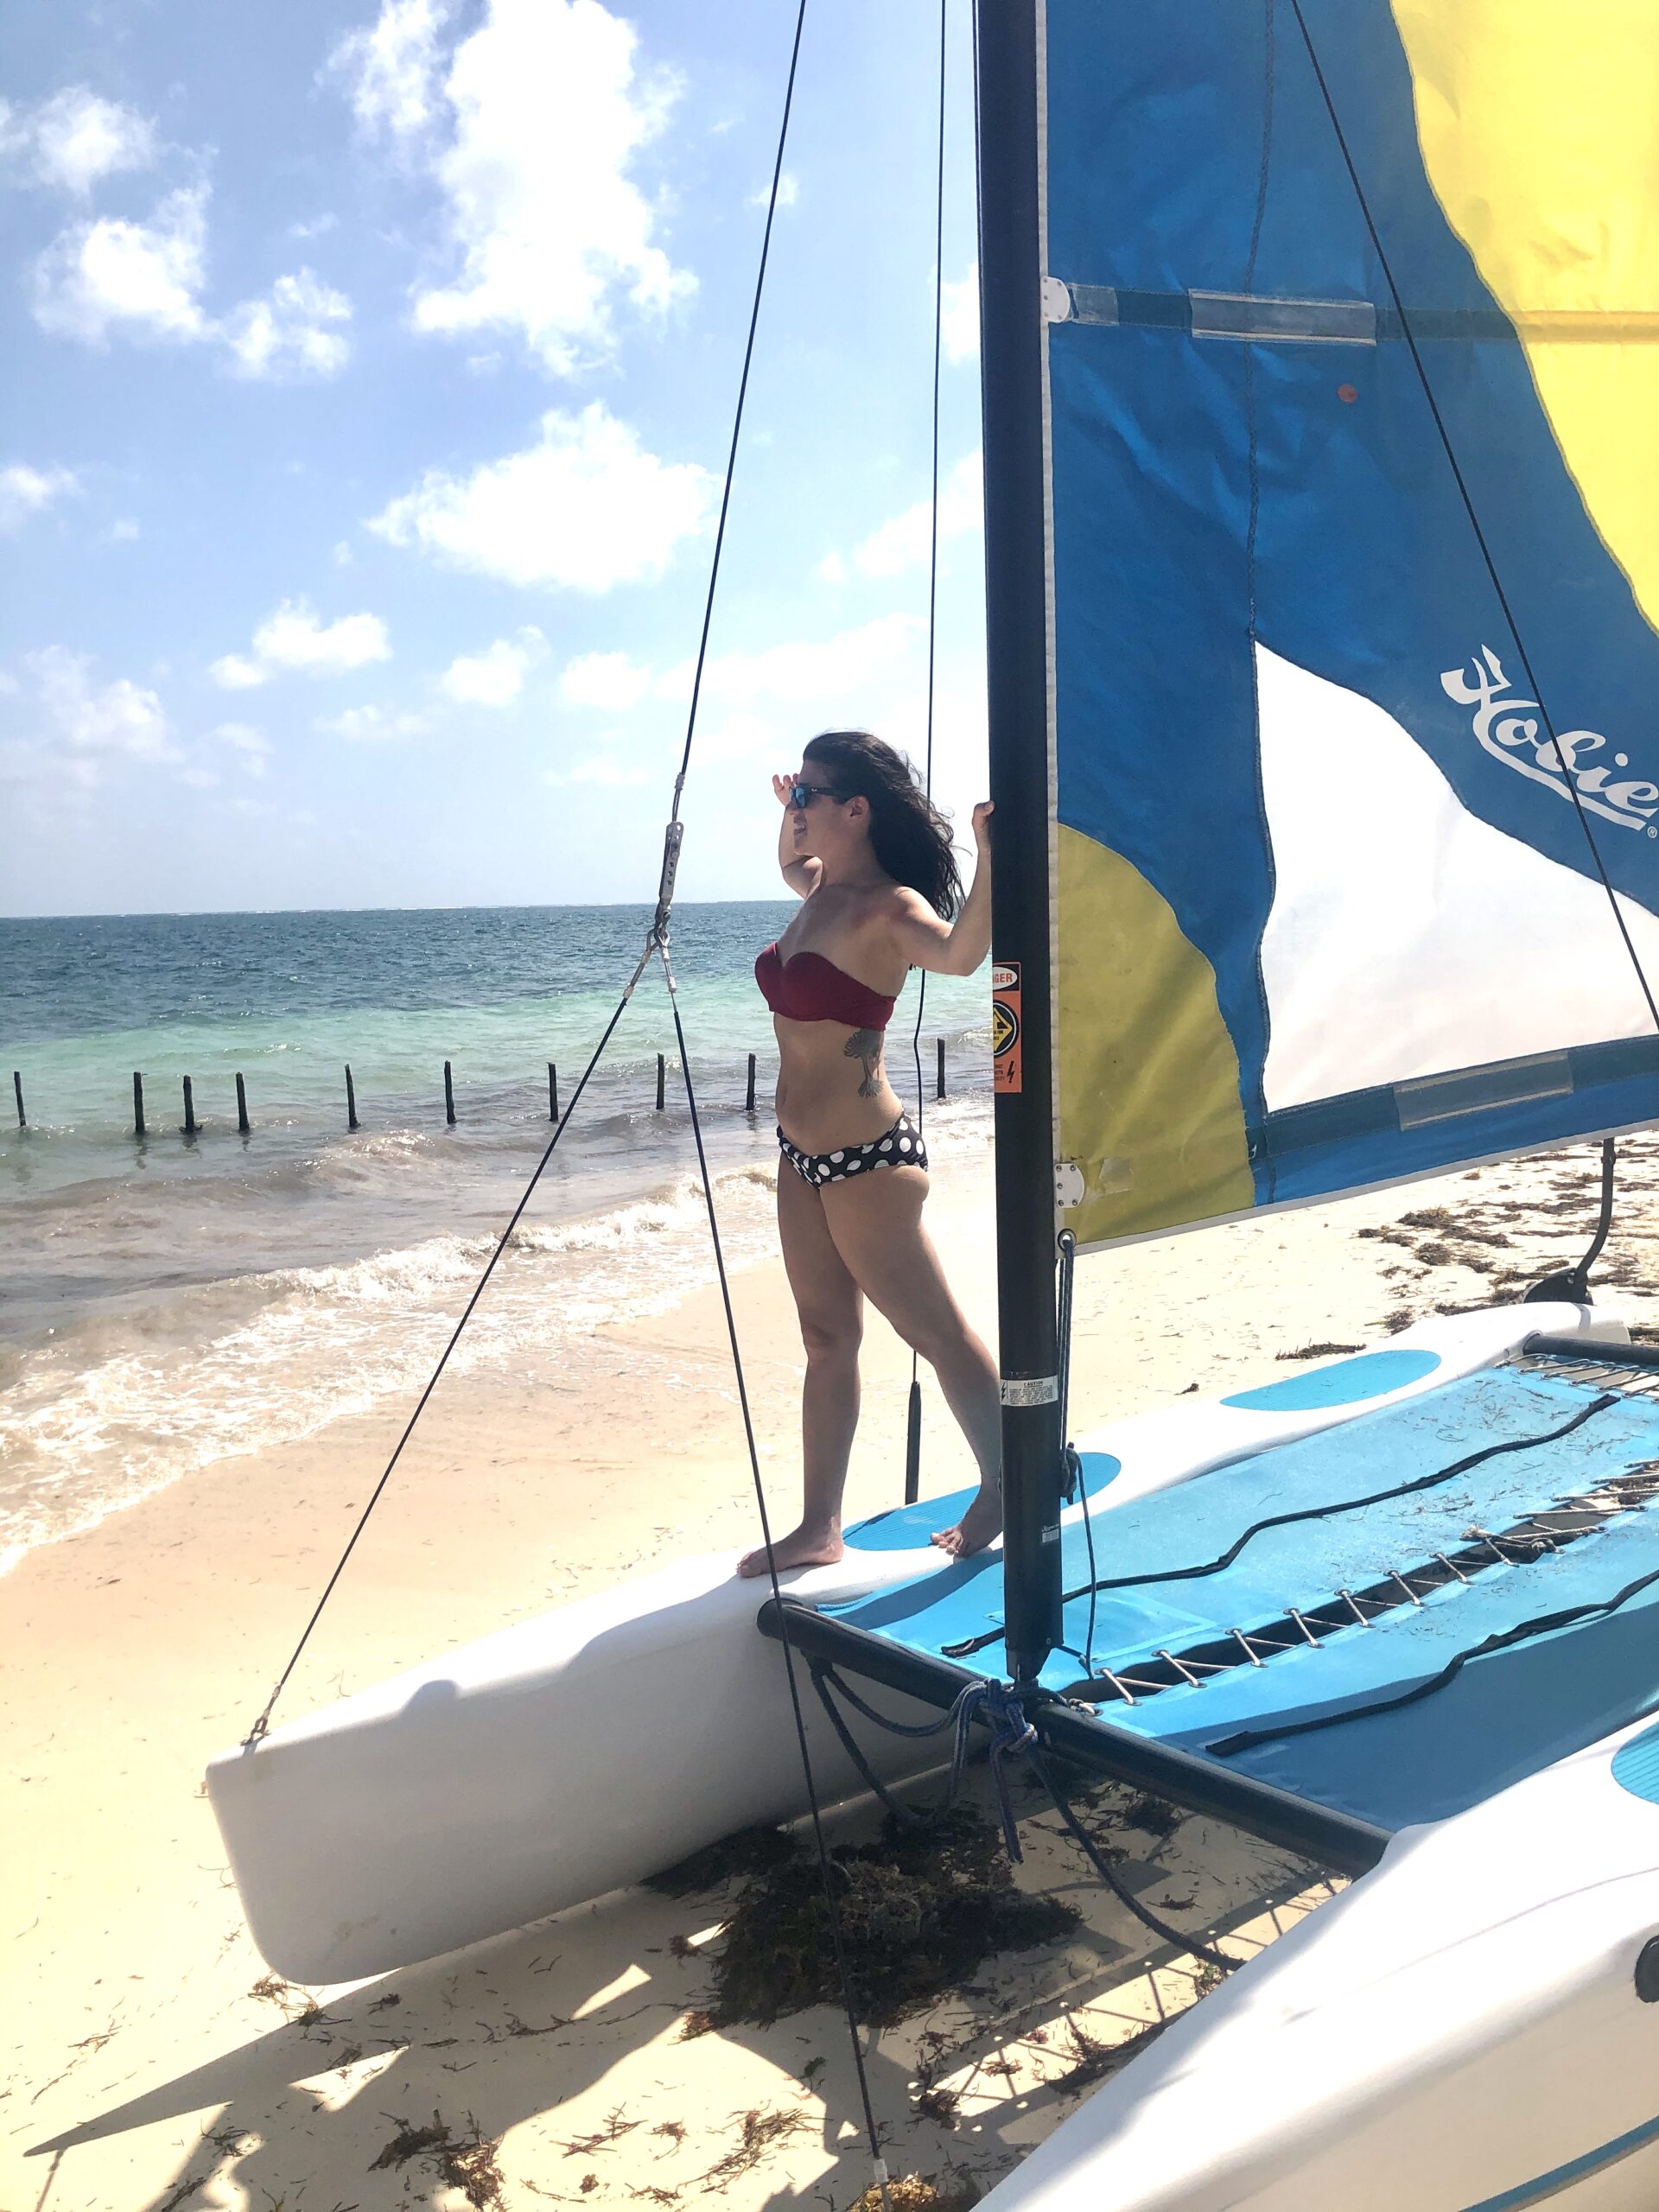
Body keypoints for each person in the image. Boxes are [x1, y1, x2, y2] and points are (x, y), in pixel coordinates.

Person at [739, 728, 998, 1577]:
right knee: (825, 1339)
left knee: (933, 1332)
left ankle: (1009, 1480)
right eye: (796, 793)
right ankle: (820, 1527)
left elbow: (961, 957)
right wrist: (790, 812)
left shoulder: (892, 908)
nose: (797, 807)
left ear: (856, 809)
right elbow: (791, 861)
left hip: (868, 1162)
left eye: (810, 794)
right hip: (799, 1158)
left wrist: (990, 854)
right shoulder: (815, 889)